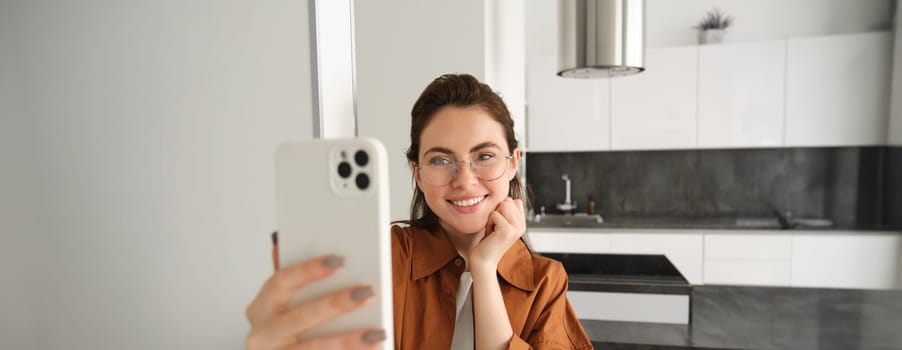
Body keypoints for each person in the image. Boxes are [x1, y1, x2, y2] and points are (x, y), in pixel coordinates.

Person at [246, 74, 593, 350]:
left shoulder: (546, 282)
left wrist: (484, 270)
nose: (465, 180)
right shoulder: (382, 258)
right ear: (417, 172)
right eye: (441, 160)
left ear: (513, 162)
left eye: (484, 156)